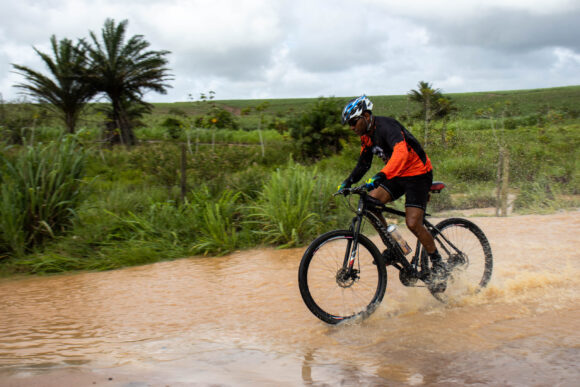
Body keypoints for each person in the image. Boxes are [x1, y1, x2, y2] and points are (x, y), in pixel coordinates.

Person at [337, 95, 447, 285]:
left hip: (418, 174)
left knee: (413, 223)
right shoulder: (367, 137)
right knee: (371, 203)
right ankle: (396, 246)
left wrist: (381, 175)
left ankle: (438, 263)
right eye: (349, 124)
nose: (352, 127)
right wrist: (347, 182)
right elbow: (364, 163)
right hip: (398, 175)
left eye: (354, 122)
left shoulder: (387, 127)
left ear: (365, 116)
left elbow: (402, 153)